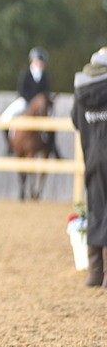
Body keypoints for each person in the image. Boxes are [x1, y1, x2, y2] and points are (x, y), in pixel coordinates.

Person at [73, 48, 107, 286]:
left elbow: (75, 120)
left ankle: (95, 274)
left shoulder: (82, 90)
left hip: (92, 158)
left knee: (96, 209)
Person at [2, 47, 52, 149]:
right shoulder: (25, 74)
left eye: (42, 62)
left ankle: (51, 146)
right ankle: (9, 145)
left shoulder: (45, 77)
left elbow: (46, 93)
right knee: (5, 117)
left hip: (40, 107)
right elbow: (21, 91)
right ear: (32, 61)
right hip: (25, 102)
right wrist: (32, 103)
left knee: (52, 121)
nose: (40, 64)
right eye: (38, 61)